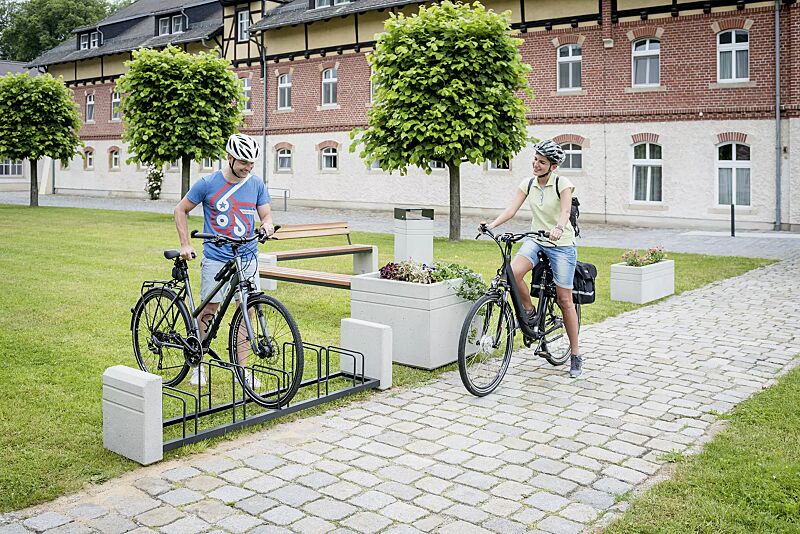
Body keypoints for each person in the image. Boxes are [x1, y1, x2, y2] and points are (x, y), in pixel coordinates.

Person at [174, 133, 274, 386]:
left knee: (247, 311)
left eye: (251, 162)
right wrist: (185, 244)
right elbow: (181, 209)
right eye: (243, 162)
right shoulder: (207, 183)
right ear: (229, 158)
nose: (247, 167)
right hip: (217, 257)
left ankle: (243, 371)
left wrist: (268, 225)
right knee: (209, 310)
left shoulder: (256, 184)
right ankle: (197, 362)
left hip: (248, 255)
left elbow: (266, 213)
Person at [480, 139, 583, 377]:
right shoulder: (528, 183)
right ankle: (529, 311)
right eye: (535, 160)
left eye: (542, 162)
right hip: (536, 239)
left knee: (564, 299)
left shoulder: (562, 183)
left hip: (561, 244)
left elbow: (566, 211)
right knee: (512, 274)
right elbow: (511, 210)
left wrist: (558, 227)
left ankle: (576, 353)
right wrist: (491, 224)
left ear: (553, 166)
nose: (536, 165)